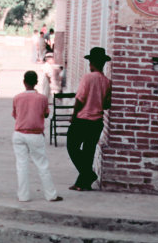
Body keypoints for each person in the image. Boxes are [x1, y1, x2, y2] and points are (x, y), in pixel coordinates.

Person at [12, 70, 63, 202]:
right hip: (35, 134)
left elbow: (15, 115)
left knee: (21, 165)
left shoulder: (17, 98)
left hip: (19, 134)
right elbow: (46, 114)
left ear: (24, 82)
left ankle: (23, 196)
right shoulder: (42, 98)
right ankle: (51, 195)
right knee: (42, 165)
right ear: (36, 83)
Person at [67, 47, 112, 192]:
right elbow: (106, 104)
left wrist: (73, 116)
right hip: (97, 121)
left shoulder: (88, 77)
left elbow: (80, 98)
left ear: (91, 63)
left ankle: (88, 174)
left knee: (72, 147)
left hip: (82, 119)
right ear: (103, 64)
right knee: (88, 152)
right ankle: (83, 183)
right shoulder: (107, 82)